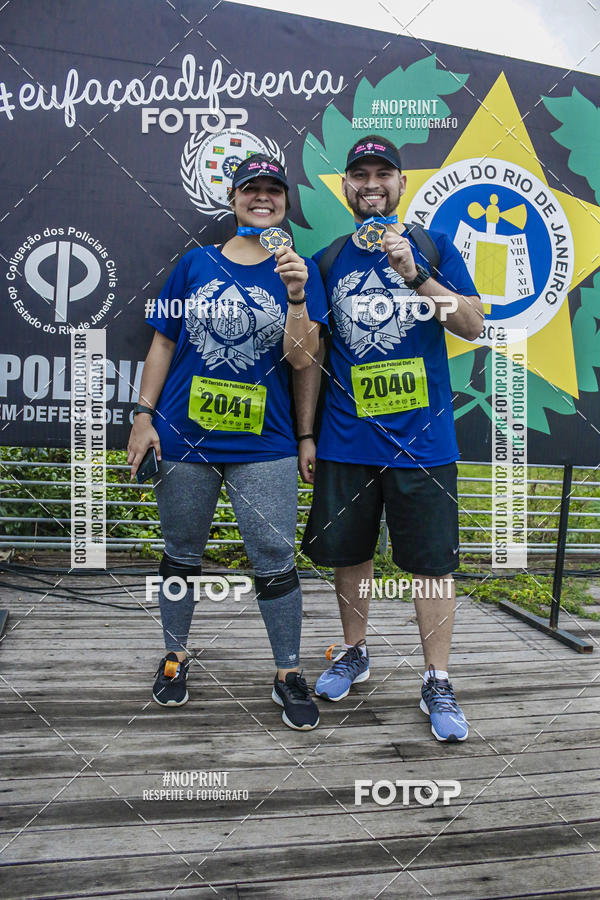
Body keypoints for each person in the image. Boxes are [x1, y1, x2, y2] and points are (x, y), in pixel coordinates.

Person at [127, 152, 328, 731]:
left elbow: (302, 360)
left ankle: (288, 671)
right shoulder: (195, 264)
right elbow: (163, 342)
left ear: (286, 203)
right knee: (181, 554)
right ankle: (174, 655)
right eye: (250, 190)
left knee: (274, 558)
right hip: (184, 437)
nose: (261, 198)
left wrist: (295, 296)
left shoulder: (303, 269)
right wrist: (144, 415)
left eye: (273, 191)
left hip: (265, 443)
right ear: (233, 199)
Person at [295, 136, 483, 742]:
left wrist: (415, 274)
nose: (370, 183)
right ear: (346, 188)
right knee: (350, 557)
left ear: (401, 184)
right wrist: (306, 433)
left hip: (424, 443)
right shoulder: (326, 260)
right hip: (347, 441)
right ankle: (354, 651)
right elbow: (309, 354)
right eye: (359, 175)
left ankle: (437, 678)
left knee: (431, 565)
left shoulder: (433, 246)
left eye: (383, 174)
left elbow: (474, 326)